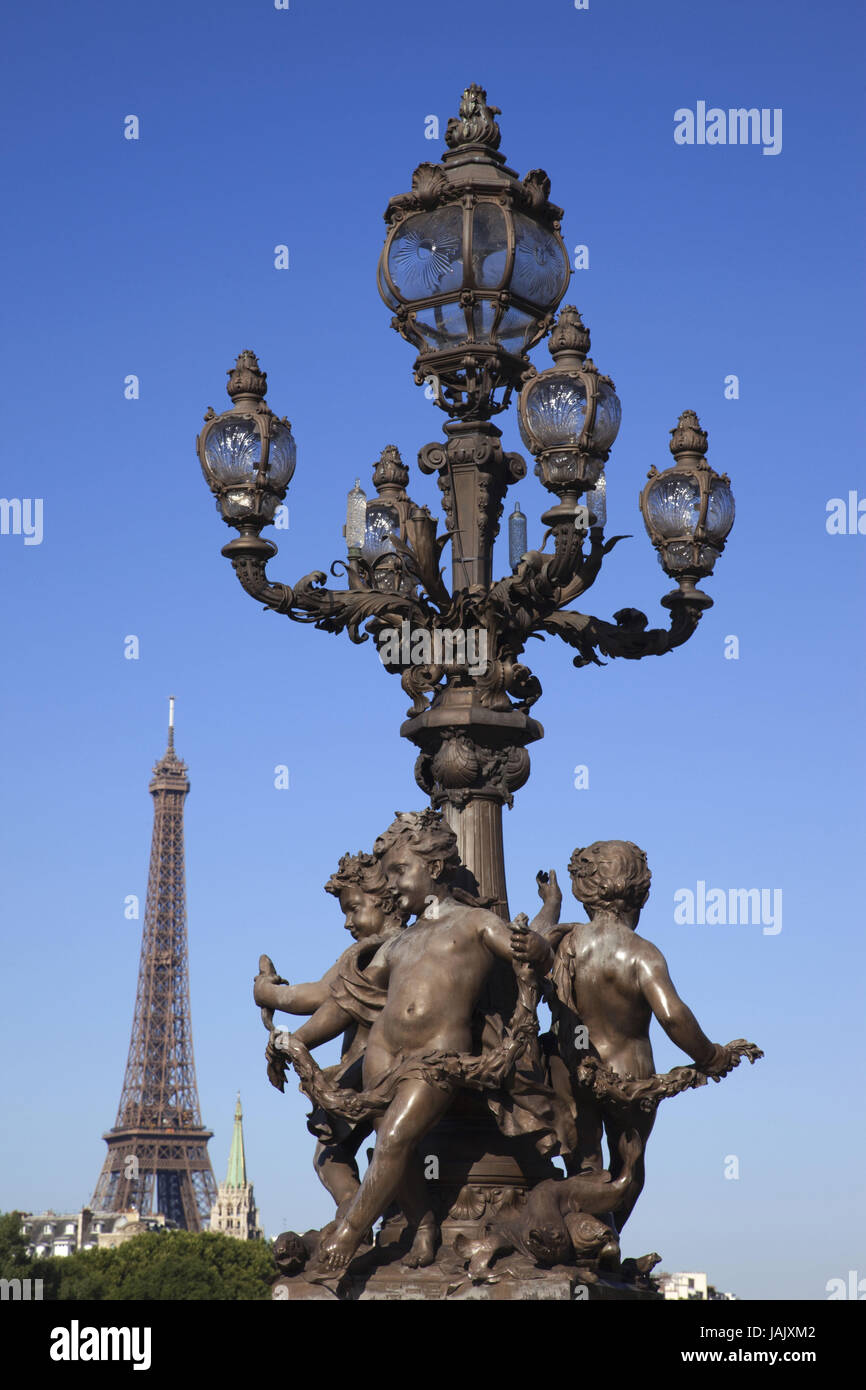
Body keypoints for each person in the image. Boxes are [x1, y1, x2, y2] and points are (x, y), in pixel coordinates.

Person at [295, 809, 554, 1274]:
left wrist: (536, 945)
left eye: (400, 871)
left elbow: (523, 947)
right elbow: (347, 1003)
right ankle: (423, 1222)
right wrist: (296, 1039)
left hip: (436, 1059)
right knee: (392, 1143)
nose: (391, 884)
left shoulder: (474, 923)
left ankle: (350, 1231)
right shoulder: (398, 942)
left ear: (433, 868)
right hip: (382, 1055)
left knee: (395, 1138)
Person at [544, 840, 742, 1228]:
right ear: (641, 894)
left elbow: (529, 949)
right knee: (628, 1171)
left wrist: (550, 906)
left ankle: (584, 1236)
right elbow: (673, 1018)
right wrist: (711, 1056)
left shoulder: (565, 943)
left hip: (571, 1070)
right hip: (630, 1079)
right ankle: (605, 1240)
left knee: (584, 1166)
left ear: (583, 891)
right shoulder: (641, 953)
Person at [254, 849, 403, 1216]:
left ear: (384, 901)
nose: (347, 922)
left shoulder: (371, 952)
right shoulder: (403, 945)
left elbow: (319, 997)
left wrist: (267, 993)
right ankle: (357, 1217)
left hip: (366, 1074)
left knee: (328, 1155)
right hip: (385, 1070)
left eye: (354, 909)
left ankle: (352, 1216)